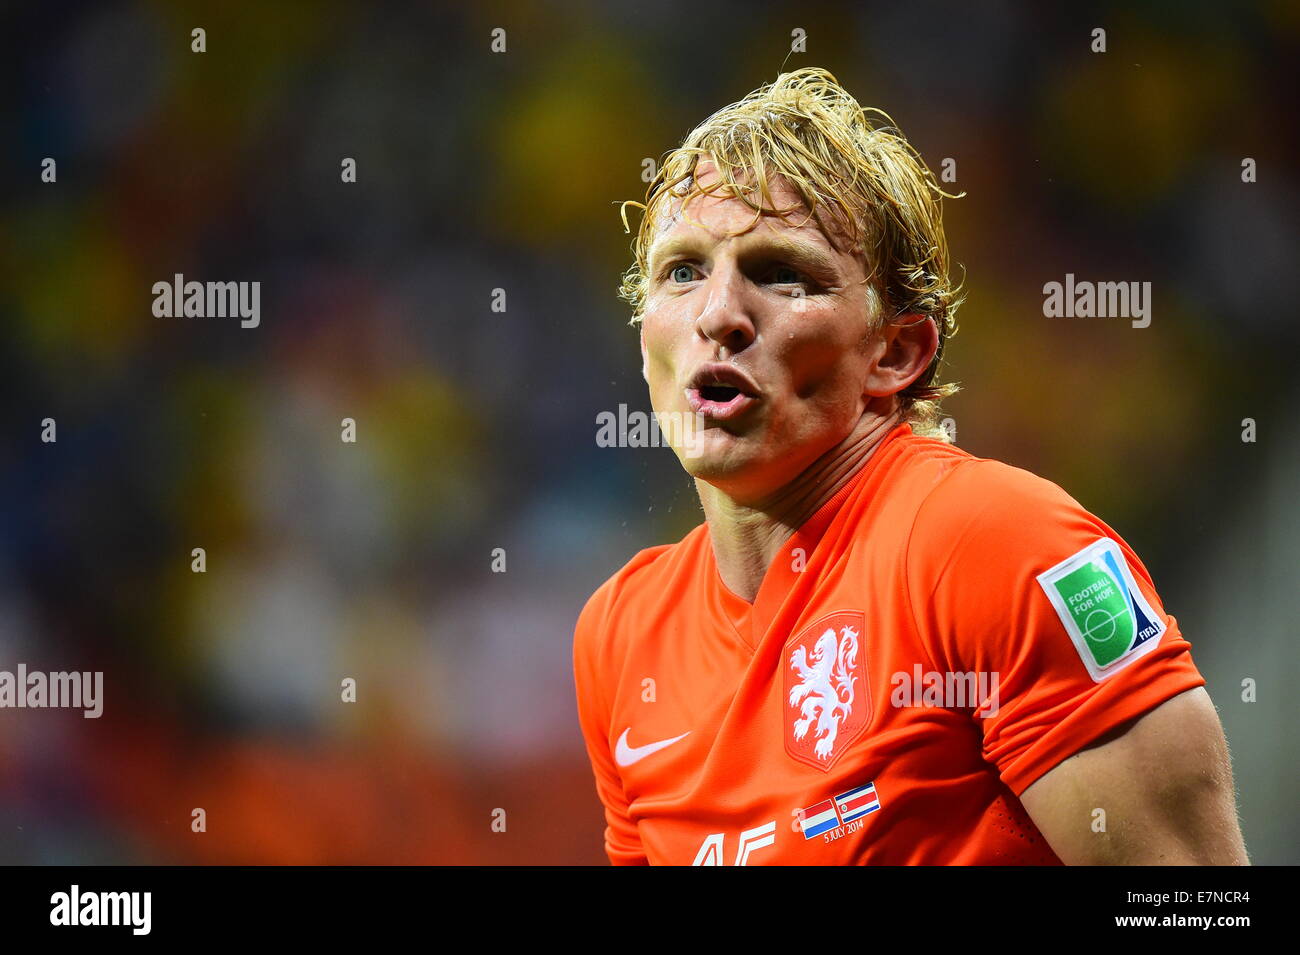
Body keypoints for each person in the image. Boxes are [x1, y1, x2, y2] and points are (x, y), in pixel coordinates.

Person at [573, 67, 1248, 865]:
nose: (718, 314)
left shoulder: (997, 546)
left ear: (896, 352)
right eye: (682, 270)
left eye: (780, 272)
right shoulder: (622, 637)